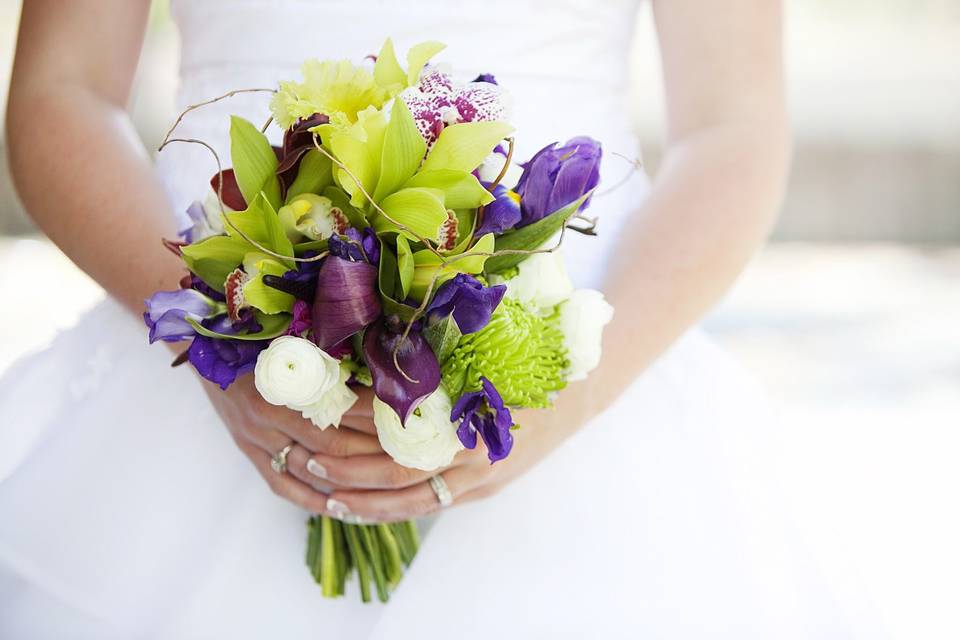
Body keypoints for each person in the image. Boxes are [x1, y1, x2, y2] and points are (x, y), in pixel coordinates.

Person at [0, 0, 867, 637]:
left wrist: (560, 399)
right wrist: (214, 331)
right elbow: (61, 88)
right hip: (200, 366)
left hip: (577, 383)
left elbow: (734, 127)